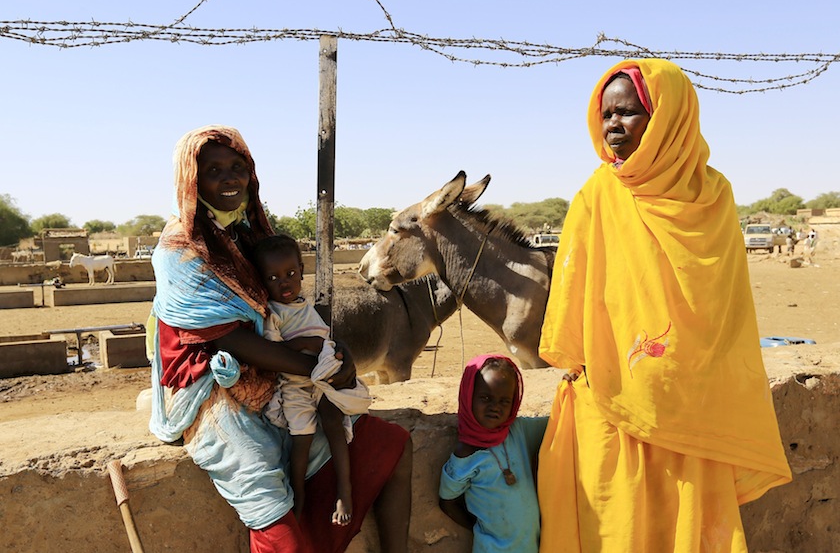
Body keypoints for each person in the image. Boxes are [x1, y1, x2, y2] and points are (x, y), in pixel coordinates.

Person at [537, 60, 792, 552]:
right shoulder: (597, 195)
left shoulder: (714, 197)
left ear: (667, 119)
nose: (612, 125)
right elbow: (573, 294)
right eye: (606, 114)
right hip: (612, 400)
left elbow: (725, 309)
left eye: (629, 113)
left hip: (694, 406)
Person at [147, 125, 412, 553]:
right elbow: (227, 339)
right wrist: (320, 369)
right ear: (191, 179)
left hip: (278, 370)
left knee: (390, 445)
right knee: (267, 498)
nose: (231, 178)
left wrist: (333, 352)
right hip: (213, 389)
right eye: (214, 170)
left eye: (239, 167)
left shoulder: (247, 236)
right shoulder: (180, 248)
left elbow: (290, 316)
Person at [254, 234, 372, 526]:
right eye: (273, 277)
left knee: (333, 420)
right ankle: (299, 494)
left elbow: (325, 341)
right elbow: (274, 352)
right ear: (262, 282)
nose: (284, 282)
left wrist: (326, 349)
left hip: (321, 380)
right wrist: (308, 343)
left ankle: (344, 490)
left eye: (291, 274)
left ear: (302, 271)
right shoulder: (273, 315)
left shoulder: (307, 306)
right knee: (302, 438)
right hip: (294, 385)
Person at [438, 354, 547, 553]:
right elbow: (447, 501)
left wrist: (572, 388)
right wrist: (479, 528)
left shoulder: (518, 431)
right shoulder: (465, 455)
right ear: (468, 396)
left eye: (505, 401)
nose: (495, 407)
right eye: (485, 398)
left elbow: (558, 421)